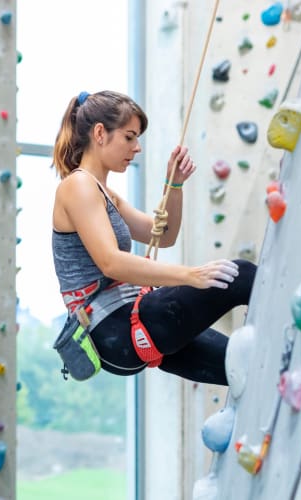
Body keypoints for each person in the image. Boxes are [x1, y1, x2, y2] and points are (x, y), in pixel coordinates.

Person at [51, 90, 256, 384]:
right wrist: (190, 275)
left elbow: (164, 235)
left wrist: (174, 185)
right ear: (100, 133)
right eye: (129, 137)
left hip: (127, 327)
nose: (137, 148)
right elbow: (111, 262)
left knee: (244, 370)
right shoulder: (78, 186)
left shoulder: (105, 194)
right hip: (114, 326)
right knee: (238, 274)